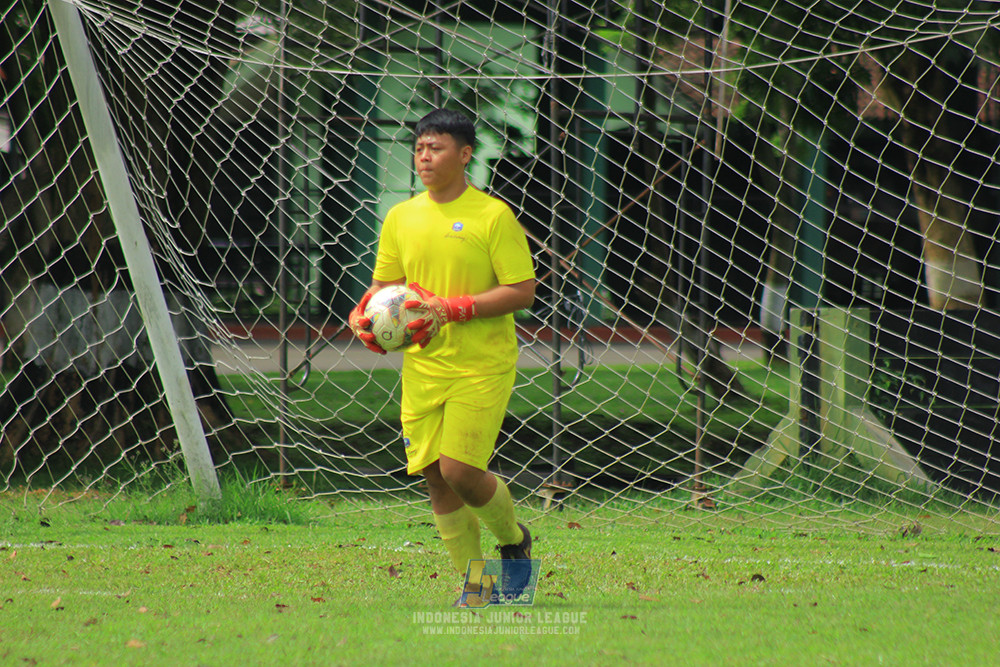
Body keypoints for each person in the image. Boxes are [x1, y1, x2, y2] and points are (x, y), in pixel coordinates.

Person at [348, 108, 536, 605]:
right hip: (424, 367)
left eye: (436, 148)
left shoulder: (492, 216)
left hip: (482, 363)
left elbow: (522, 290)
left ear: (466, 154)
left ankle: (514, 542)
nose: (424, 157)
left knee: (459, 471)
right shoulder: (401, 217)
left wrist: (453, 308)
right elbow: (384, 287)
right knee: (433, 474)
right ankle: (476, 587)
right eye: (419, 149)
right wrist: (365, 316)